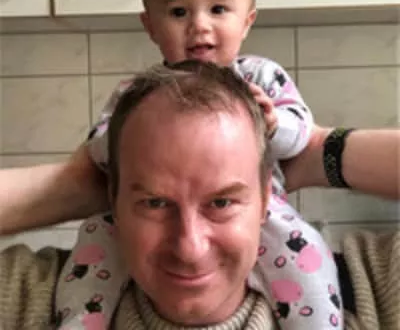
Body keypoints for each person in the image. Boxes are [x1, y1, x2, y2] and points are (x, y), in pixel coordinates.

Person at [54, 0, 343, 329]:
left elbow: (301, 134)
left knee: (306, 254)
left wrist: (275, 123)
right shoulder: (136, 92)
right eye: (178, 12)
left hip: (265, 216)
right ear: (150, 25)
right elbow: (99, 149)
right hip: (140, 219)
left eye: (218, 9)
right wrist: (130, 135)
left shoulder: (260, 76)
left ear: (247, 21)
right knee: (93, 238)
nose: (199, 26)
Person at [0, 62, 398, 330]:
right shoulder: (35, 301)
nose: (189, 248)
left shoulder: (369, 294)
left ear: (265, 200)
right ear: (113, 200)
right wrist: (75, 184)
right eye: (155, 202)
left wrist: (316, 152)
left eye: (221, 202)